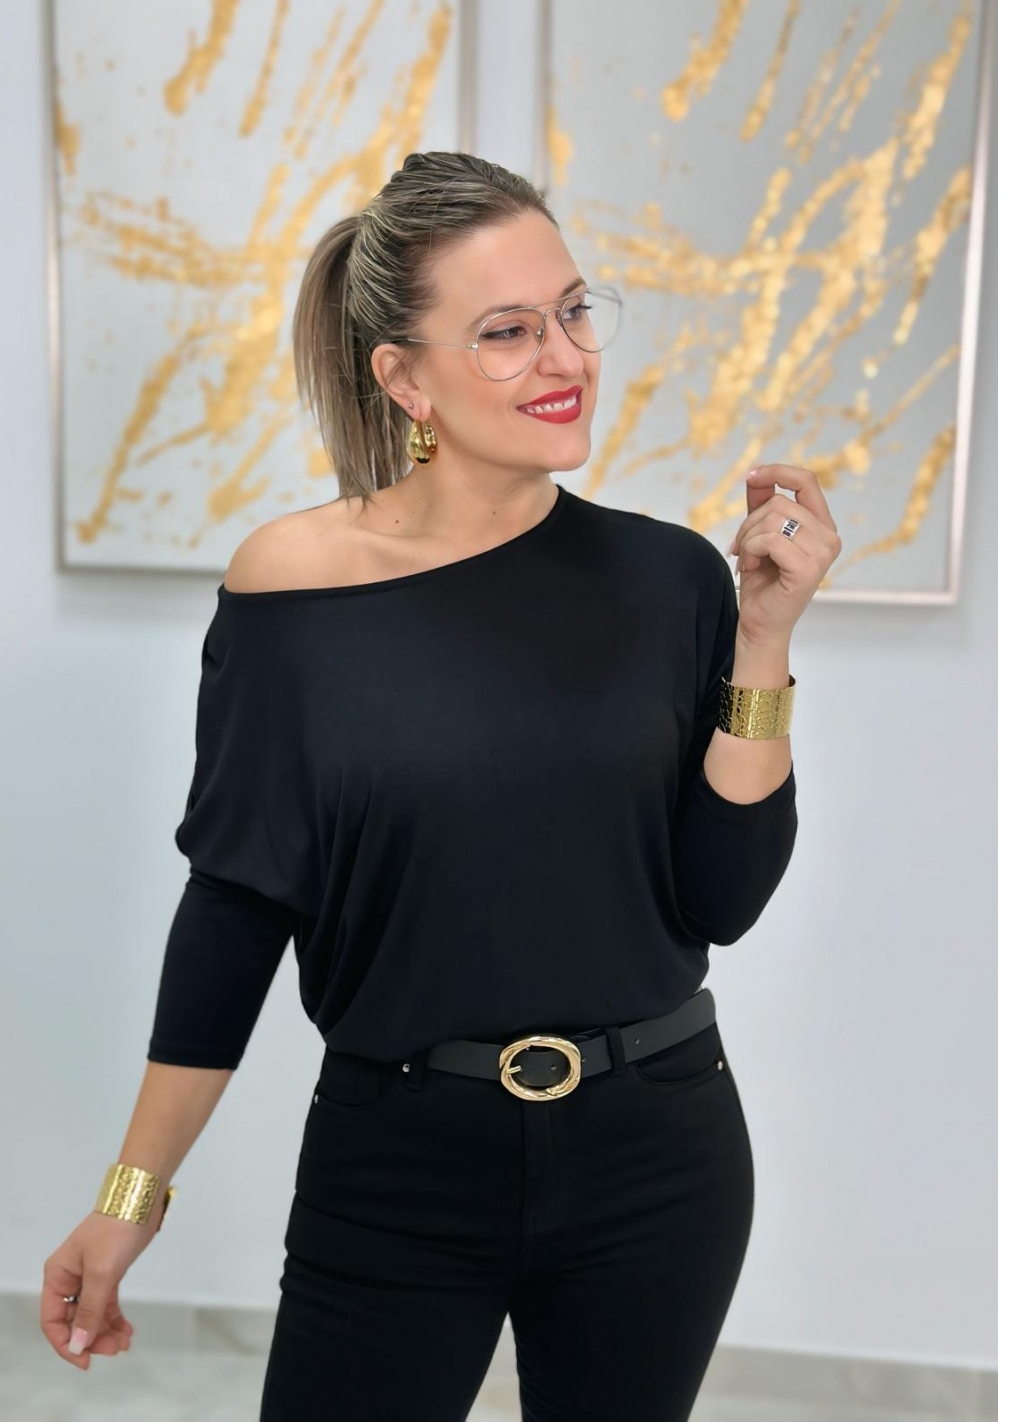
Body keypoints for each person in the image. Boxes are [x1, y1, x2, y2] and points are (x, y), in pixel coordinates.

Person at [41, 152, 841, 1419]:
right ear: (402, 377)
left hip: (657, 1152)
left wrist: (762, 641)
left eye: (572, 312)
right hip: (396, 1161)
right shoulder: (292, 591)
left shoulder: (670, 580)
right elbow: (237, 904)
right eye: (506, 332)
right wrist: (130, 1198)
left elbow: (721, 899)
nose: (564, 358)